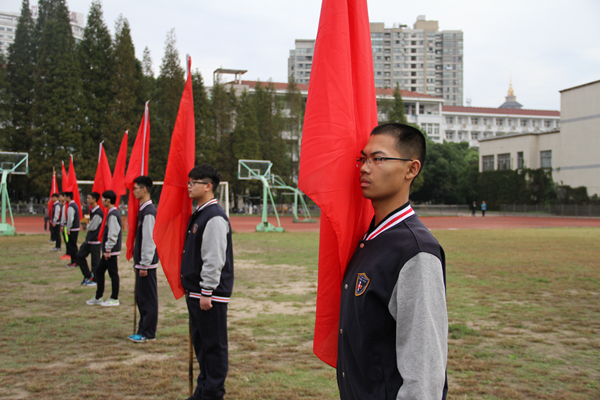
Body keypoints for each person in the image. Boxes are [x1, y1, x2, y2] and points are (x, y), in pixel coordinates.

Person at [337, 123, 448, 400]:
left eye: (379, 159)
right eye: (363, 158)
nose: (364, 167)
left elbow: (424, 369)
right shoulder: (372, 238)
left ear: (411, 169)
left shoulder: (416, 250)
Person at [182, 164, 234, 400]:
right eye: (189, 182)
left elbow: (213, 257)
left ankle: (213, 392)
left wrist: (207, 290)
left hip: (208, 296)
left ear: (208, 186)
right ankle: (203, 390)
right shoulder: (201, 213)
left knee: (213, 347)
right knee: (202, 346)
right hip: (197, 293)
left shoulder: (213, 216)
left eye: (194, 182)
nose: (189, 186)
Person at [128, 176, 159, 343]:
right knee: (141, 298)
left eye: (135, 188)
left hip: (147, 265)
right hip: (141, 263)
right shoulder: (142, 210)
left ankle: (148, 332)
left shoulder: (149, 212)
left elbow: (150, 240)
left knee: (148, 299)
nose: (133, 191)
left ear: (144, 189)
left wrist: (145, 264)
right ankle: (143, 329)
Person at [86, 190, 122, 307]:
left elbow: (113, 234)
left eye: (103, 199)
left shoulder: (113, 214)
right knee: (99, 271)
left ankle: (114, 298)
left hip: (111, 251)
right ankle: (98, 296)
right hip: (109, 251)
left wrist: (108, 250)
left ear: (108, 200)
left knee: (113, 274)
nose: (101, 201)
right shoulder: (110, 213)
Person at [74, 192, 104, 286]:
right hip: (89, 240)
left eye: (89, 197)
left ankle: (96, 279)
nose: (87, 199)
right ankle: (88, 275)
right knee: (79, 255)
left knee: (95, 262)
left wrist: (88, 224)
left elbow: (92, 227)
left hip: (95, 241)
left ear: (94, 199)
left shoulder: (98, 212)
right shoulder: (92, 210)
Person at [64, 192, 80, 267]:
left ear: (68, 197)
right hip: (75, 228)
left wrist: (68, 228)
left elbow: (70, 219)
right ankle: (75, 260)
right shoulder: (75, 205)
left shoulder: (71, 206)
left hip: (73, 229)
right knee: (73, 245)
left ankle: (75, 261)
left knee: (72, 245)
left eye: (64, 196)